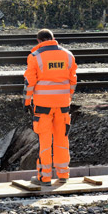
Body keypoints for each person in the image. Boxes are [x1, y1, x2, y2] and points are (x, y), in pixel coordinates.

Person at [23, 29, 77, 186]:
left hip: (43, 107)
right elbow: (73, 81)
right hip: (63, 106)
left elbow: (29, 83)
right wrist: (66, 98)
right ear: (53, 38)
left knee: (45, 142)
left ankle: (44, 178)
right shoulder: (68, 55)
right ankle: (63, 174)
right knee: (62, 140)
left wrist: (26, 102)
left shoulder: (35, 57)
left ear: (39, 41)